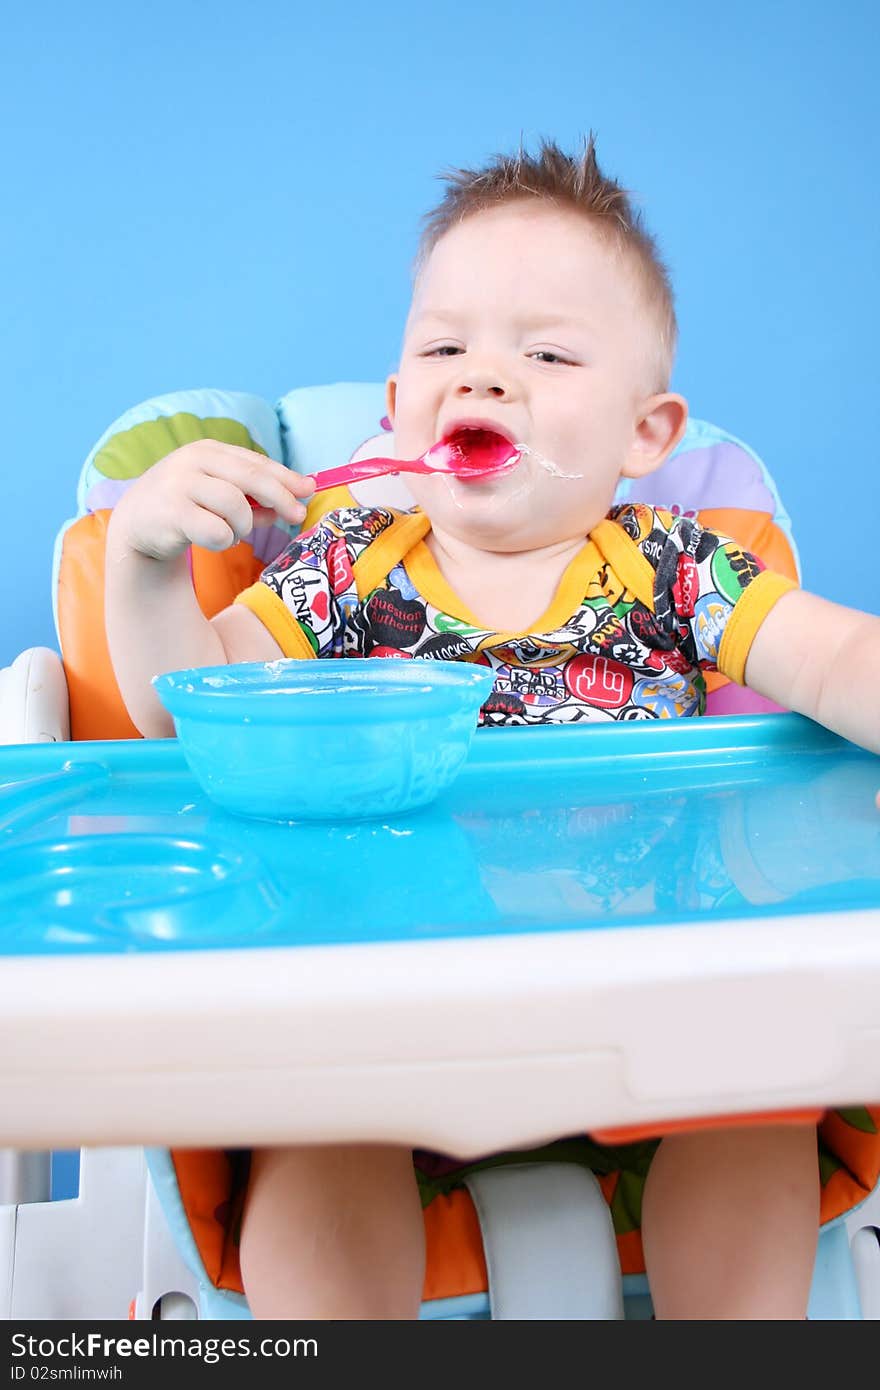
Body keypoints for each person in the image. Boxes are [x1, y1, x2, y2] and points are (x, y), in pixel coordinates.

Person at [105, 136, 880, 1319]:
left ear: (645, 437)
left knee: (757, 1109)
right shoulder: (348, 568)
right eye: (444, 347)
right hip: (384, 994)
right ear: (395, 408)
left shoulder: (679, 570)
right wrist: (148, 563)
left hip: (648, 992)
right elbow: (190, 714)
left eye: (548, 352)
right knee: (314, 1143)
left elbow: (835, 659)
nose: (483, 376)